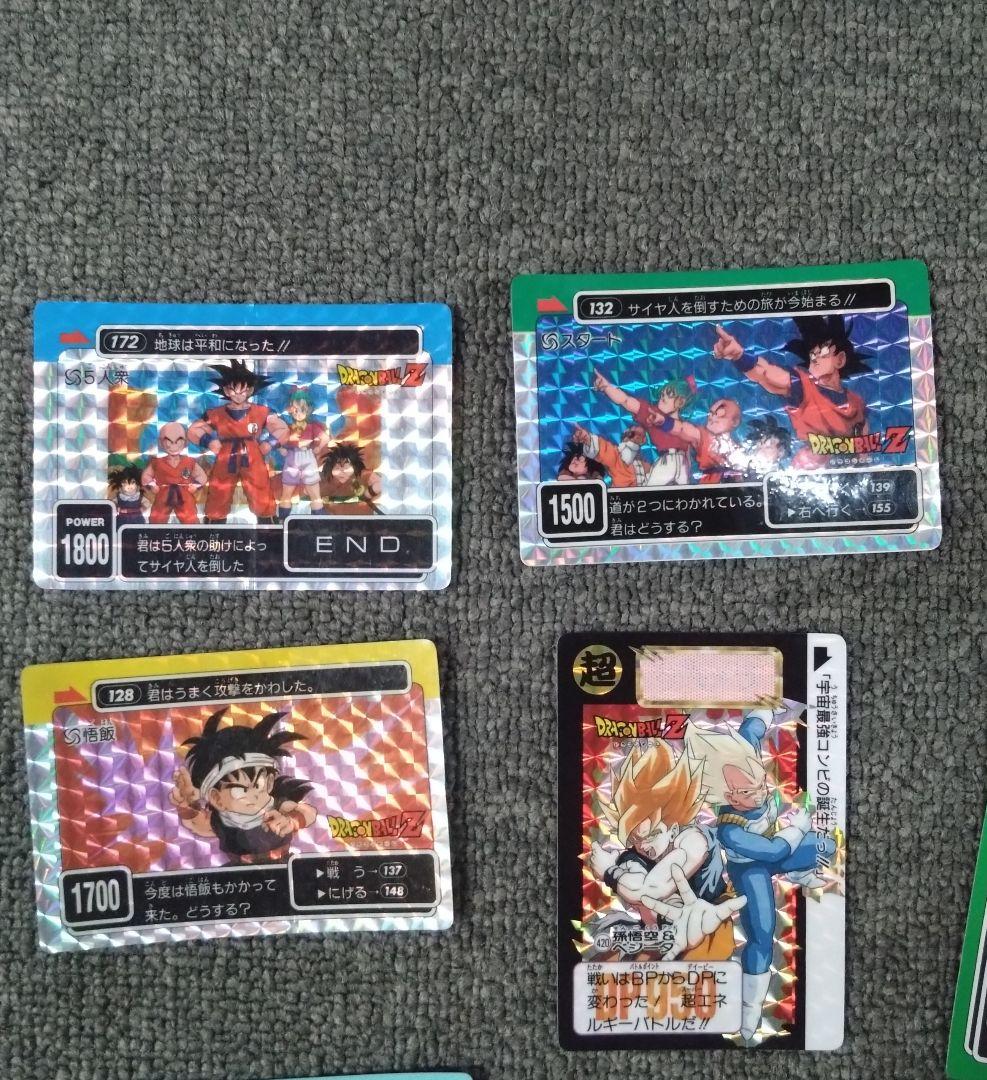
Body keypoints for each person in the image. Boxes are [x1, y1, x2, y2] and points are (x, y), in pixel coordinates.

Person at [685, 710, 836, 1041]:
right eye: (742, 792)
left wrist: (767, 707)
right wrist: (799, 826)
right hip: (750, 870)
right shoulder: (730, 830)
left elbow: (751, 729)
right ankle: (750, 1011)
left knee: (825, 845)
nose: (754, 794)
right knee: (762, 933)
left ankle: (800, 873)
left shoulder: (745, 758)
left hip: (776, 852)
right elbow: (774, 851)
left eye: (754, 786)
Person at [588, 742, 745, 962]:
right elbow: (638, 887)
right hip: (658, 940)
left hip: (708, 931)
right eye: (635, 839)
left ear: (673, 828)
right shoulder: (635, 856)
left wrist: (609, 872)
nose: (643, 846)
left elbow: (650, 888)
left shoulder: (694, 839)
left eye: (651, 834)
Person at [712, 316, 871, 466]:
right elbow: (765, 372)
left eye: (822, 353)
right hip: (810, 471)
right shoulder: (801, 385)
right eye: (812, 354)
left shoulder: (857, 402)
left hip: (844, 474)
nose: (815, 358)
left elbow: (864, 448)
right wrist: (739, 356)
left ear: (840, 359)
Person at [171, 707, 317, 865]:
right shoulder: (222, 819)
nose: (254, 794)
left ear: (269, 782)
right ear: (216, 798)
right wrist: (186, 805)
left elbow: (308, 812)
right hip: (238, 870)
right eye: (241, 790)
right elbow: (201, 825)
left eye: (259, 785)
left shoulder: (274, 807)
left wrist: (292, 821)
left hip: (281, 864)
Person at [187, 359, 289, 523]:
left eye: (243, 390)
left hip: (253, 454)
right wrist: (209, 442)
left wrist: (268, 444)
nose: (238, 394)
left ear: (250, 390)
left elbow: (282, 429)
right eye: (234, 390)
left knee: (260, 488)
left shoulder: (262, 411)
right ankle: (214, 525)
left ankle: (267, 524)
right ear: (226, 390)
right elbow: (194, 430)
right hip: (226, 454)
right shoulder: (216, 413)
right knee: (219, 489)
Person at [591, 371, 697, 485]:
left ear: (680, 402)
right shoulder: (651, 414)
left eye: (669, 395)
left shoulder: (684, 426)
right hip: (667, 462)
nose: (663, 397)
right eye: (662, 395)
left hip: (683, 466)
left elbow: (687, 451)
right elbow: (626, 401)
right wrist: (607, 387)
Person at [639, 398, 746, 484]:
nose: (712, 418)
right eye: (711, 413)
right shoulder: (703, 435)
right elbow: (681, 429)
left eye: (719, 415)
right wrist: (663, 421)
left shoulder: (737, 447)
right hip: (711, 488)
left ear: (734, 422)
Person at [277, 387, 329, 519]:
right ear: (290, 410)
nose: (298, 414)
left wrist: (318, 448)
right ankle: (283, 521)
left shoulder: (312, 426)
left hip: (307, 456)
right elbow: (277, 439)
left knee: (315, 493)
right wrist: (281, 448)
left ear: (308, 410)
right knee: (286, 493)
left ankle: (319, 521)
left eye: (302, 410)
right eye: (295, 410)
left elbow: (325, 438)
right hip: (292, 457)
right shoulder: (287, 426)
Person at [141, 423, 207, 524]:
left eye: (177, 442)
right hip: (163, 494)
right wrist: (152, 485)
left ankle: (193, 532)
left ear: (185, 442)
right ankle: (155, 533)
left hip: (184, 494)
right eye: (169, 442)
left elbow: (202, 476)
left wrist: (196, 485)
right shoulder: (157, 462)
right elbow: (146, 476)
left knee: (190, 519)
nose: (173, 446)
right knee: (157, 519)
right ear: (161, 443)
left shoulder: (189, 461)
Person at [571, 423, 650, 488]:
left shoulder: (645, 465)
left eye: (641, 435)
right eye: (632, 434)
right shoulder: (618, 459)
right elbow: (608, 452)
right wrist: (587, 439)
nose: (636, 437)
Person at [321, 444, 382, 514]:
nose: (342, 472)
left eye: (346, 467)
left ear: (355, 467)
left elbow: (380, 484)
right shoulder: (326, 482)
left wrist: (367, 494)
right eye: (337, 468)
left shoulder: (363, 476)